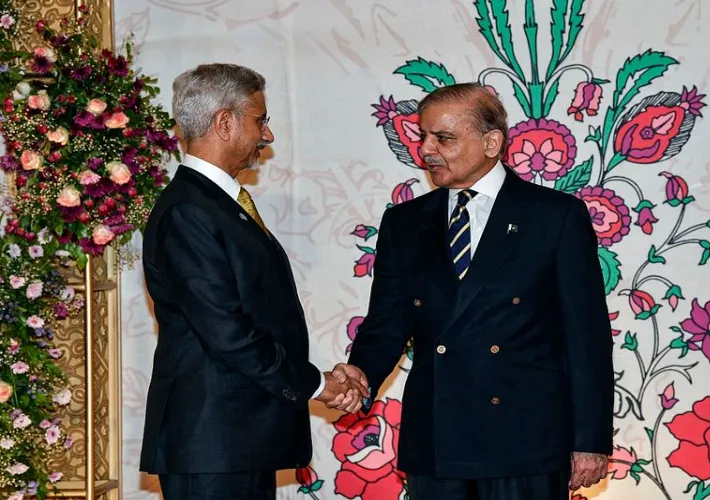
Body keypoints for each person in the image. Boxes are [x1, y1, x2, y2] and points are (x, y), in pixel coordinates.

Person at [335, 82, 614, 500]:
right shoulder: (405, 223)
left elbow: (587, 337)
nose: (426, 149)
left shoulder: (554, 216)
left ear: (491, 142)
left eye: (443, 138)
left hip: (525, 440)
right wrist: (361, 375)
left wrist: (589, 439)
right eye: (423, 136)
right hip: (436, 438)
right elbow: (388, 321)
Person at [139, 63, 365, 500]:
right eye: (260, 119)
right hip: (213, 443)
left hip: (235, 440)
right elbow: (227, 332)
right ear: (225, 122)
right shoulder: (190, 211)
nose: (268, 135)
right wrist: (317, 384)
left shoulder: (214, 205)